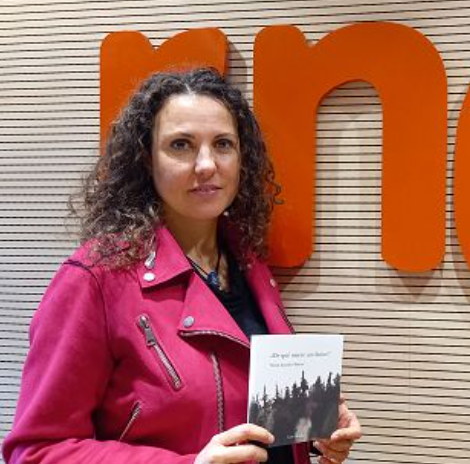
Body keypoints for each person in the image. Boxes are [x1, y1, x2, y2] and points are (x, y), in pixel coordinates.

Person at [2, 68, 361, 464]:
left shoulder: (249, 262)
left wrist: (313, 428)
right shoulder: (96, 277)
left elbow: (249, 410)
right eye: (181, 145)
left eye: (223, 144)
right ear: (146, 159)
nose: (207, 164)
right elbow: (36, 451)